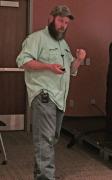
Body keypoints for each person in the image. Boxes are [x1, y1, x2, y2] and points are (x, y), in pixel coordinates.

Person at [16, 5, 86, 180]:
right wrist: (48, 66)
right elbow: (23, 61)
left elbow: (72, 70)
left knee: (50, 140)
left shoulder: (63, 43)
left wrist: (78, 59)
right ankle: (46, 177)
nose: (63, 25)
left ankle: (42, 175)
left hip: (59, 98)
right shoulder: (36, 38)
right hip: (44, 96)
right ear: (51, 19)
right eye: (60, 20)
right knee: (45, 140)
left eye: (66, 22)